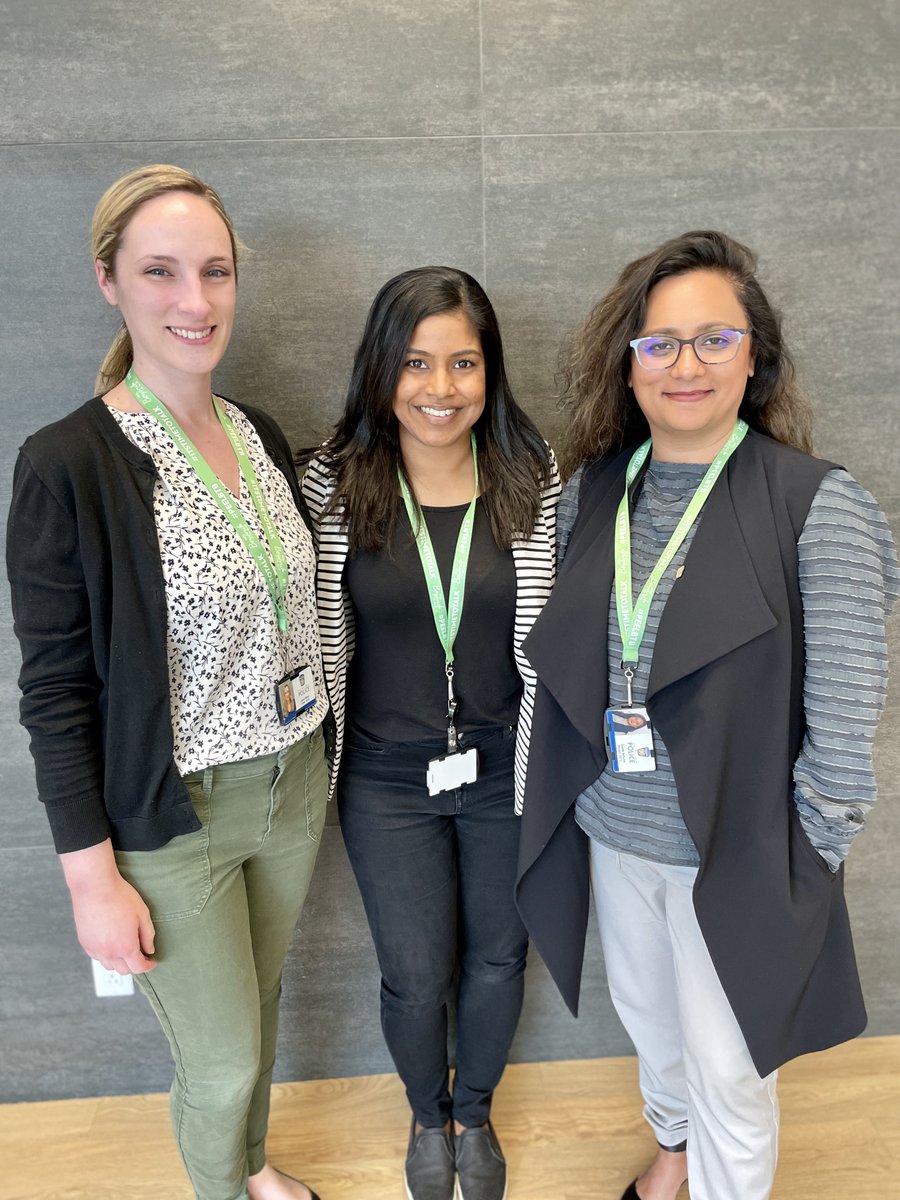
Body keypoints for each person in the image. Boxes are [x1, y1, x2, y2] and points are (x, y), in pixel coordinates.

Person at [515, 231, 899, 1200]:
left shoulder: (817, 505)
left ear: (755, 355)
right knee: (652, 1031)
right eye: (659, 344)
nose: (685, 365)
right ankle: (670, 1155)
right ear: (627, 363)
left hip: (738, 851)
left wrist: (801, 852)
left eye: (714, 340)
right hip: (614, 833)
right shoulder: (593, 492)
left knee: (733, 1070)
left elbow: (845, 729)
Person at [6, 165, 329, 1200]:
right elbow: (54, 691)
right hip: (175, 814)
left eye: (215, 272)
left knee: (261, 1005)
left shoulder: (258, 434)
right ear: (110, 280)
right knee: (222, 1053)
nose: (195, 301)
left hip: (294, 781)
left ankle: (249, 1165)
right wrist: (89, 876)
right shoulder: (68, 463)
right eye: (160, 272)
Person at [302, 266, 559, 1200]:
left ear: (491, 372)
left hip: (504, 769)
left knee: (499, 954)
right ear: (382, 367)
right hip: (383, 775)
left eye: (463, 362)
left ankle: (476, 1113)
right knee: (416, 973)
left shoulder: (534, 476)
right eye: (415, 362)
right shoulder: (330, 483)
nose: (440, 388)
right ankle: (425, 1111)